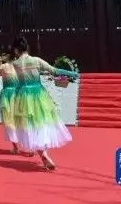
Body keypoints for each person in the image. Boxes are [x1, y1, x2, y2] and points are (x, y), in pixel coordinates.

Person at [10, 36, 78, 170]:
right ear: (27, 48)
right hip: (38, 94)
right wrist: (73, 74)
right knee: (43, 124)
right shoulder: (36, 60)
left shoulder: (16, 64)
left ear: (17, 50)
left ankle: (43, 155)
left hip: (23, 95)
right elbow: (54, 70)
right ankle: (45, 153)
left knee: (30, 127)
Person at [0, 53, 21, 154]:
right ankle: (30, 147)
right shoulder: (19, 65)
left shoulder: (4, 67)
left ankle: (16, 148)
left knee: (9, 121)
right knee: (21, 120)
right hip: (19, 93)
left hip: (8, 95)